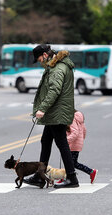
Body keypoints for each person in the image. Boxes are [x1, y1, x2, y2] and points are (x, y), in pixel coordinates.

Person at [23, 44, 79, 188]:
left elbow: (54, 90)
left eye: (40, 58)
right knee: (46, 141)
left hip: (57, 112)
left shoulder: (57, 69)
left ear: (45, 55)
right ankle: (40, 177)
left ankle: (72, 178)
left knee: (61, 143)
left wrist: (42, 108)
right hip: (55, 111)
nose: (40, 61)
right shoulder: (56, 66)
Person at [65, 110, 97, 184]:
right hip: (77, 143)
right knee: (71, 162)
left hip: (73, 144)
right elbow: (84, 130)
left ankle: (91, 171)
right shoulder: (79, 119)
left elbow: (75, 132)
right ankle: (66, 177)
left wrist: (66, 141)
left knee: (71, 163)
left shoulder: (72, 119)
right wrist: (81, 140)